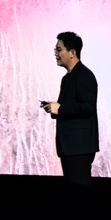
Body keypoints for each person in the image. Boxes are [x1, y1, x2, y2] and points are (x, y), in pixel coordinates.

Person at [40, 31, 99, 185]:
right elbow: (69, 107)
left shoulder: (84, 75)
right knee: (73, 190)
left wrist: (60, 109)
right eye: (55, 50)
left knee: (79, 191)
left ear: (72, 53)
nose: (55, 53)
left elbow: (88, 107)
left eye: (59, 50)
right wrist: (53, 108)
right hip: (70, 147)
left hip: (79, 147)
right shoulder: (67, 78)